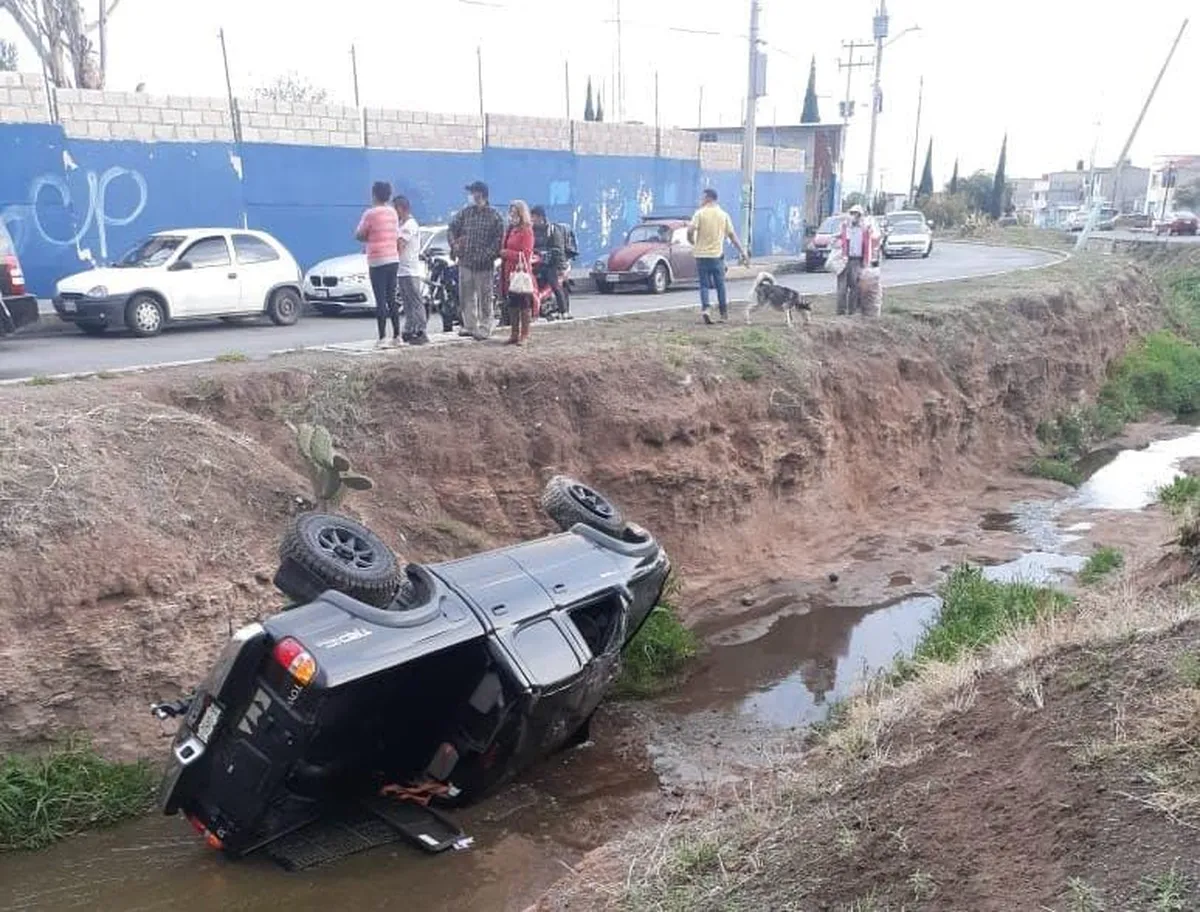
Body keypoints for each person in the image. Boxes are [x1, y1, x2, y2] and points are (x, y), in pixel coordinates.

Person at [448, 180, 505, 341]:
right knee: (466, 295)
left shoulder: (494, 216)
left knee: (485, 297)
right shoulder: (466, 213)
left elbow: (498, 240)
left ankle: (485, 326)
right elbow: (452, 228)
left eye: (473, 192)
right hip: (465, 262)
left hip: (484, 265)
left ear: (482, 194)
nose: (471, 196)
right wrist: (455, 245)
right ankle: (469, 325)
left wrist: (487, 255)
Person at [687, 188, 749, 324]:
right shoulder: (723, 215)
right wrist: (742, 252)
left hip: (701, 256)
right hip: (716, 256)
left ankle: (706, 309)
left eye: (703, 198)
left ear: (709, 198)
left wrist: (691, 240)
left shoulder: (699, 214)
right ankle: (723, 313)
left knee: (704, 284)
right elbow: (732, 236)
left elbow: (690, 230)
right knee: (720, 285)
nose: (701, 200)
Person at [355, 180, 401, 347]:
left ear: (374, 194)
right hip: (393, 259)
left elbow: (359, 234)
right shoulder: (393, 213)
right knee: (392, 298)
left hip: (377, 260)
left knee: (380, 299)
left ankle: (382, 338)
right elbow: (396, 234)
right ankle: (397, 336)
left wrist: (369, 237)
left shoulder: (370, 214)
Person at [392, 195, 428, 345]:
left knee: (415, 300)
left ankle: (421, 330)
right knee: (407, 302)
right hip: (402, 270)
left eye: (395, 208)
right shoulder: (401, 224)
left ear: (401, 208)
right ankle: (410, 328)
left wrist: (393, 258)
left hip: (410, 269)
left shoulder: (410, 225)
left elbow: (400, 244)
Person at [499, 200, 535, 346]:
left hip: (521, 272)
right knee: (512, 304)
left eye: (515, 213)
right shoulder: (510, 230)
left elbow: (525, 254)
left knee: (524, 304)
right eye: (511, 213)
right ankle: (514, 333)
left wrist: (507, 253)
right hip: (509, 272)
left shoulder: (526, 231)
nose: (512, 216)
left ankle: (524, 335)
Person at [836, 205, 875, 316]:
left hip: (856, 260)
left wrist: (866, 261)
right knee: (841, 288)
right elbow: (838, 240)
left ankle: (852, 311)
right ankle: (840, 312)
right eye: (852, 214)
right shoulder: (844, 227)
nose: (854, 217)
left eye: (857, 214)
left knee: (855, 287)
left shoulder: (864, 229)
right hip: (843, 260)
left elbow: (867, 246)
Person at [531, 205, 567, 317]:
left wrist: (561, 266)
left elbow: (558, 249)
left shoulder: (552, 230)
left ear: (541, 217)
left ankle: (564, 311)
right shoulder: (531, 230)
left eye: (534, 217)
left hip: (550, 264)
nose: (532, 219)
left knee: (554, 284)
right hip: (534, 263)